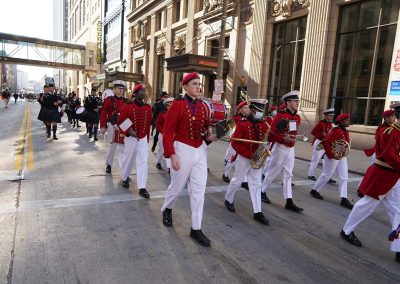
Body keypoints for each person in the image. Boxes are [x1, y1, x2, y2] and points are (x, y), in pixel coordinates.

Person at [161, 72, 216, 247]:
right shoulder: (177, 105)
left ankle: (196, 228)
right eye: (194, 84)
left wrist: (210, 135)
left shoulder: (202, 106)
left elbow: (205, 127)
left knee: (199, 190)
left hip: (199, 149)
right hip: (182, 149)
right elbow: (167, 132)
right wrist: (171, 154)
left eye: (199, 84)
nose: (198, 87)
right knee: (176, 186)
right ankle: (167, 208)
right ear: (185, 87)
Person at [341, 104, 400, 263]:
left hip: (395, 178)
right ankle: (346, 231)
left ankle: (398, 247)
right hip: (383, 176)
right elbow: (390, 156)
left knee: (398, 211)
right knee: (366, 205)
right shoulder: (390, 132)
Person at [224, 99, 270, 225]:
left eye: (262, 111)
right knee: (237, 181)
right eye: (259, 111)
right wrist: (250, 155)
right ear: (253, 109)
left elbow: (268, 138)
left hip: (257, 159)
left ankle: (257, 212)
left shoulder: (264, 124)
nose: (261, 113)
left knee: (256, 184)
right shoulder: (243, 124)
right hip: (244, 157)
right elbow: (234, 143)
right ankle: (228, 199)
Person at [260, 91, 303, 212]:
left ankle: (289, 200)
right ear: (288, 103)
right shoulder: (280, 116)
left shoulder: (297, 117)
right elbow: (271, 135)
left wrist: (295, 138)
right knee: (273, 172)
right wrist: (283, 138)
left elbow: (293, 131)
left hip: (291, 148)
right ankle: (262, 191)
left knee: (289, 174)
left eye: (298, 101)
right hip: (280, 148)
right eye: (295, 101)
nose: (297, 103)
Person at [310, 113, 353, 209]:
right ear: (341, 122)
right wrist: (332, 155)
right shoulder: (335, 131)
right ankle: (314, 190)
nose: (348, 122)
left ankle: (343, 198)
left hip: (341, 156)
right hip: (332, 156)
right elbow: (327, 144)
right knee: (326, 175)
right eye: (346, 120)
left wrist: (345, 152)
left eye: (348, 120)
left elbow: (345, 144)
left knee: (344, 177)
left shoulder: (345, 131)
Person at [117, 83, 152, 198]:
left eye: (144, 91)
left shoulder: (148, 108)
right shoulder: (128, 106)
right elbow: (121, 122)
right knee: (129, 159)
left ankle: (142, 187)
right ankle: (125, 177)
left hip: (142, 139)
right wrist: (127, 131)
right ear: (135, 94)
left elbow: (147, 125)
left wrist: (145, 139)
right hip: (131, 138)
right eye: (141, 91)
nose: (143, 93)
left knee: (143, 161)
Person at [100, 80, 127, 174]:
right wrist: (103, 126)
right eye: (119, 88)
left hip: (123, 126)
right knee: (112, 146)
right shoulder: (109, 100)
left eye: (122, 88)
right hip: (112, 125)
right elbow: (103, 113)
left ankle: (124, 168)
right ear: (114, 89)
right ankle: (109, 164)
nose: (121, 90)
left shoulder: (126, 101)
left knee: (123, 147)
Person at [222, 101, 251, 185]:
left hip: (243, 143)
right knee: (231, 159)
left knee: (242, 160)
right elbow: (230, 130)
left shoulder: (249, 118)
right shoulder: (235, 119)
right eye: (245, 108)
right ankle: (225, 174)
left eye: (247, 107)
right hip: (235, 143)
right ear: (239, 110)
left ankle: (243, 180)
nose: (247, 109)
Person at [307, 108, 336, 182]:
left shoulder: (330, 123)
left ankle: (327, 176)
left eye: (332, 115)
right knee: (316, 159)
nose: (332, 117)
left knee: (326, 161)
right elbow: (313, 132)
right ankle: (310, 174)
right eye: (330, 115)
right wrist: (322, 136)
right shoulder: (321, 123)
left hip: (326, 144)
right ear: (326, 116)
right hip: (320, 143)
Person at [155, 97, 174, 170]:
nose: (171, 106)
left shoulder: (175, 114)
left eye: (172, 105)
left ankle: (169, 167)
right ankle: (158, 162)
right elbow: (157, 125)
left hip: (172, 135)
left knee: (170, 150)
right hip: (162, 134)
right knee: (162, 149)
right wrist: (163, 131)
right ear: (166, 106)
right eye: (169, 105)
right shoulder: (162, 114)